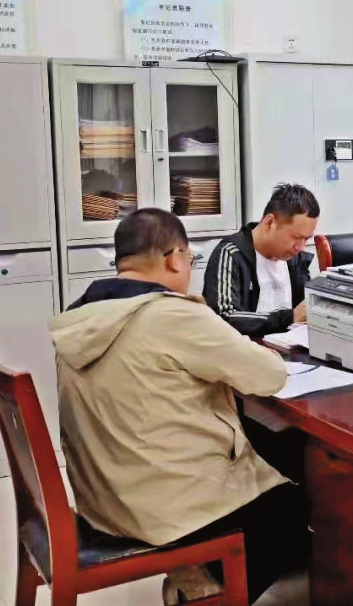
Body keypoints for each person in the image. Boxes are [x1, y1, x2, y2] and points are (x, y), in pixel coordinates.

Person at [49, 209, 308, 605]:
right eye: (189, 258)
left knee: (262, 449)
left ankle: (199, 573)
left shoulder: (79, 315)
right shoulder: (171, 314)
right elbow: (268, 374)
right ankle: (208, 591)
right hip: (163, 510)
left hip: (102, 501)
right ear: (174, 259)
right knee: (292, 506)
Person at [204, 183, 319, 337]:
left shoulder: (295, 260)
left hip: (289, 347)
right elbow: (224, 317)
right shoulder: (231, 254)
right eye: (296, 237)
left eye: (307, 239)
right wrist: (289, 317)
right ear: (270, 222)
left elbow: (305, 310)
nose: (300, 247)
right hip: (246, 348)